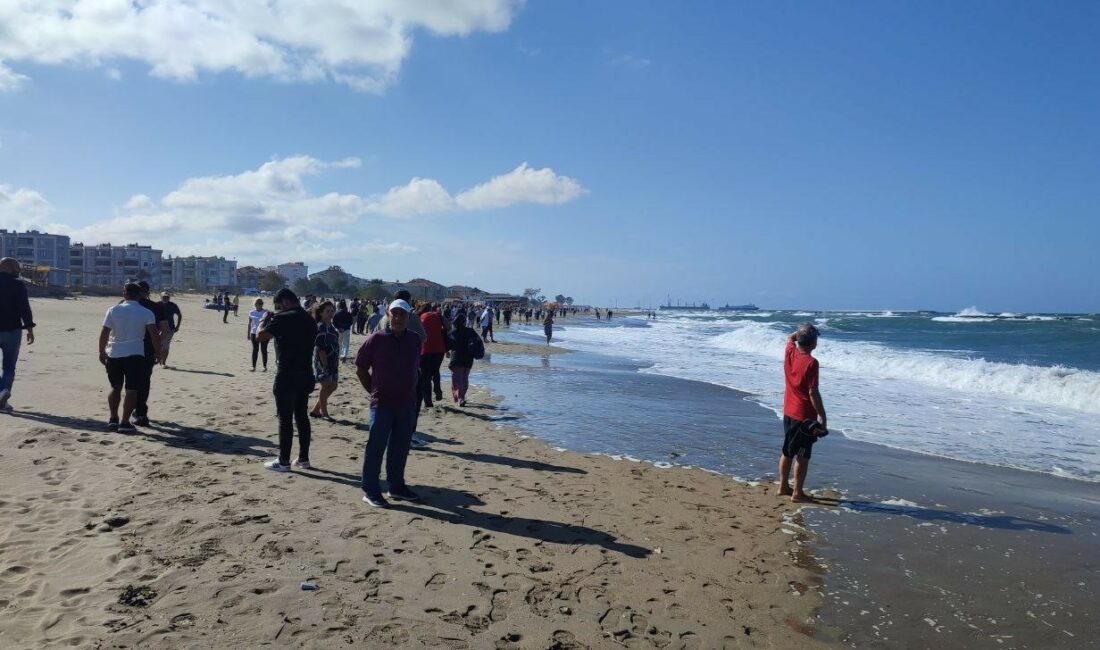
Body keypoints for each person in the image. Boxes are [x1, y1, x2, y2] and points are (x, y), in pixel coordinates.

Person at [355, 299, 422, 507]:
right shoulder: (376, 339)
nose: (399, 318)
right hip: (382, 403)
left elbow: (415, 368)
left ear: (409, 317)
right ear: (388, 315)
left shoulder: (415, 340)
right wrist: (373, 390)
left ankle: (396, 486)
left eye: (403, 314)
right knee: (376, 447)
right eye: (395, 314)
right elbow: (361, 368)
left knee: (400, 447)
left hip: (406, 404)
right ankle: (371, 490)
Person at [256, 288, 317, 472]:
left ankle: (283, 461)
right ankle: (304, 459)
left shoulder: (283, 318)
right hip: (305, 372)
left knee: (285, 418)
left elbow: (261, 336)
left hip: (287, 373)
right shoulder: (309, 319)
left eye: (278, 306)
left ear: (284, 302)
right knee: (301, 416)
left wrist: (263, 321)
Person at [100, 283, 162, 433]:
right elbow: (154, 334)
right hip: (135, 354)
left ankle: (113, 418)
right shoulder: (146, 312)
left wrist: (102, 351)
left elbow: (104, 332)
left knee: (115, 387)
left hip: (114, 353)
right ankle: (125, 422)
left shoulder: (113, 310)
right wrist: (158, 352)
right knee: (132, 389)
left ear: (124, 294)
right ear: (140, 295)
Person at [778, 323, 828, 503]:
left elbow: (789, 338)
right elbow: (812, 392)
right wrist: (822, 415)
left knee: (787, 451)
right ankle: (797, 493)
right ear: (814, 343)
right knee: (803, 455)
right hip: (804, 416)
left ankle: (783, 486)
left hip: (788, 412)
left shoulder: (790, 351)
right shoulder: (811, 362)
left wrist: (800, 332)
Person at [0, 258, 35, 413]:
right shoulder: (18, 285)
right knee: (9, 366)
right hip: (12, 330)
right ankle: (3, 392)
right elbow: (24, 308)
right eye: (16, 267)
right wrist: (29, 328)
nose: (19, 270)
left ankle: (2, 397)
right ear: (9, 268)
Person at [132, 281, 168, 426]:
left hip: (126, 348)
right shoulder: (155, 307)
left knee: (130, 383)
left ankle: (123, 416)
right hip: (147, 349)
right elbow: (164, 329)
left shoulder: (123, 304)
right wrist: (156, 344)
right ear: (147, 293)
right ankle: (140, 413)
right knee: (144, 382)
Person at [446, 313, 484, 406]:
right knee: (464, 378)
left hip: (456, 358)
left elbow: (448, 344)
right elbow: (478, 341)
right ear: (464, 322)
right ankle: (461, 397)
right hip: (468, 358)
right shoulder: (470, 331)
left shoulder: (452, 332)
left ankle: (459, 397)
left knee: (456, 379)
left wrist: (446, 352)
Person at [310, 301, 340, 418]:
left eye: (332, 311)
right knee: (326, 385)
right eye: (327, 311)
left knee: (333, 385)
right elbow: (320, 348)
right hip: (322, 361)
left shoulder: (331, 327)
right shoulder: (321, 327)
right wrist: (325, 365)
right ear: (321, 313)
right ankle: (324, 412)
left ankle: (316, 409)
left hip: (333, 360)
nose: (331, 313)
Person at [418, 304, 447, 408]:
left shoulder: (419, 317)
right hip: (439, 349)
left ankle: (428, 401)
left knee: (425, 376)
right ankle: (437, 390)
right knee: (436, 371)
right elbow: (448, 327)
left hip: (425, 350)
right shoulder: (437, 315)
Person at [158, 292, 182, 368]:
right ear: (161, 297)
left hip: (170, 328)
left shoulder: (173, 305)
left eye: (167, 297)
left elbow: (179, 315)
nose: (165, 298)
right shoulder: (156, 305)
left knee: (165, 345)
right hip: (158, 328)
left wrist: (177, 326)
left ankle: (163, 362)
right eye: (164, 297)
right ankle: (159, 360)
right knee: (159, 345)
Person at [247, 298, 270, 371]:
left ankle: (264, 366)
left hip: (264, 333)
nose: (260, 305)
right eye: (259, 303)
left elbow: (269, 323)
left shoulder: (266, 312)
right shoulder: (251, 312)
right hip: (254, 333)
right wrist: (248, 334)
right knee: (255, 350)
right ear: (255, 304)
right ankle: (253, 367)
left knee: (264, 350)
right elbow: (249, 324)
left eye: (261, 303)